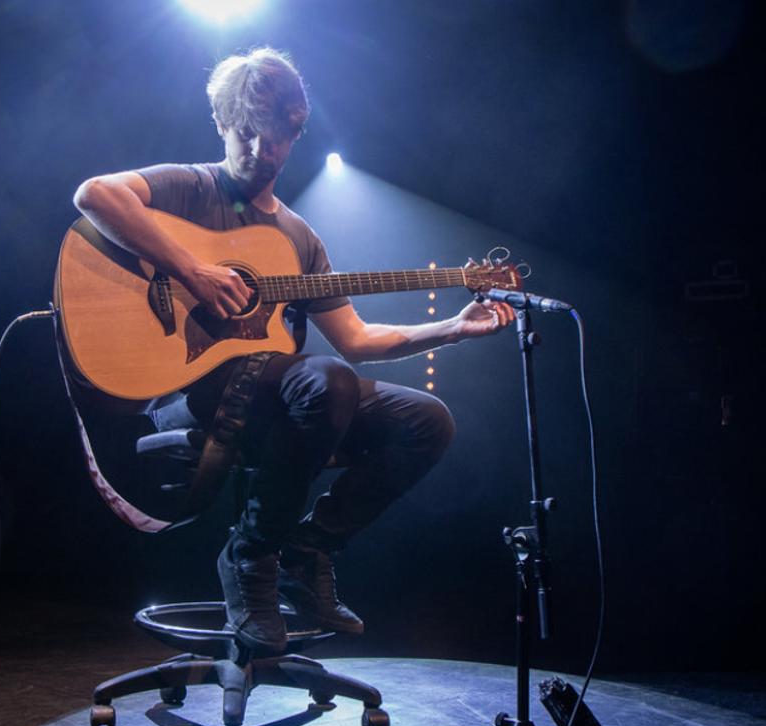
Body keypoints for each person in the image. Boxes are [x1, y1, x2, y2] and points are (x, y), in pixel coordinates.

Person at [73, 48, 514, 653]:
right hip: (189, 393)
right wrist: (194, 271)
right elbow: (95, 194)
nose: (262, 151)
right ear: (224, 125)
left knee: (425, 421)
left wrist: (452, 330)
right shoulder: (189, 186)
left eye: (276, 137)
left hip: (282, 403)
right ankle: (250, 556)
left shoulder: (300, 238)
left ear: (295, 132)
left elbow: (356, 340)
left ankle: (310, 548)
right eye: (247, 134)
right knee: (325, 380)